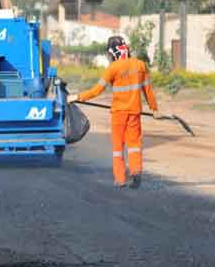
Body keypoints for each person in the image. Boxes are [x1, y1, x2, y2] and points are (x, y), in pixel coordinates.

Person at [68, 35, 159, 189]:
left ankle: (120, 179)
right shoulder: (140, 65)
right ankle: (136, 173)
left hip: (118, 114)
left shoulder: (113, 69)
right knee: (134, 144)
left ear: (113, 52)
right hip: (134, 112)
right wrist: (154, 109)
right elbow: (148, 90)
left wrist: (76, 97)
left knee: (118, 148)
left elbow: (96, 91)